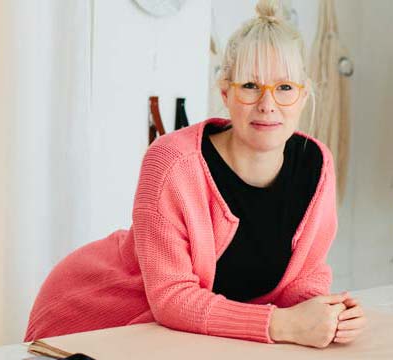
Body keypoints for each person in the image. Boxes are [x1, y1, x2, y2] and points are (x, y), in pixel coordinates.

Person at [25, 0, 366, 348]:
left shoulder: (316, 163)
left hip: (191, 341)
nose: (268, 104)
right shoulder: (172, 161)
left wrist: (326, 314)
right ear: (225, 92)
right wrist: (283, 324)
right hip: (99, 319)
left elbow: (302, 277)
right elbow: (172, 297)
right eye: (250, 86)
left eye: (284, 88)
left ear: (303, 94)